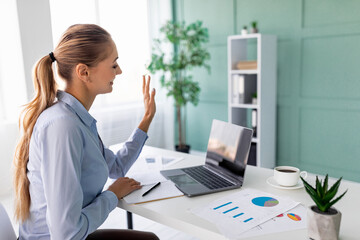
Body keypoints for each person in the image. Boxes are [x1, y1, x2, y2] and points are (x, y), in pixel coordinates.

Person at [13, 24, 159, 240]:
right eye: (114, 64)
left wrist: (146, 119)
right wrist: (112, 195)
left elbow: (116, 167)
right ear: (84, 72)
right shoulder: (63, 126)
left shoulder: (77, 119)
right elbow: (66, 234)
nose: (119, 71)